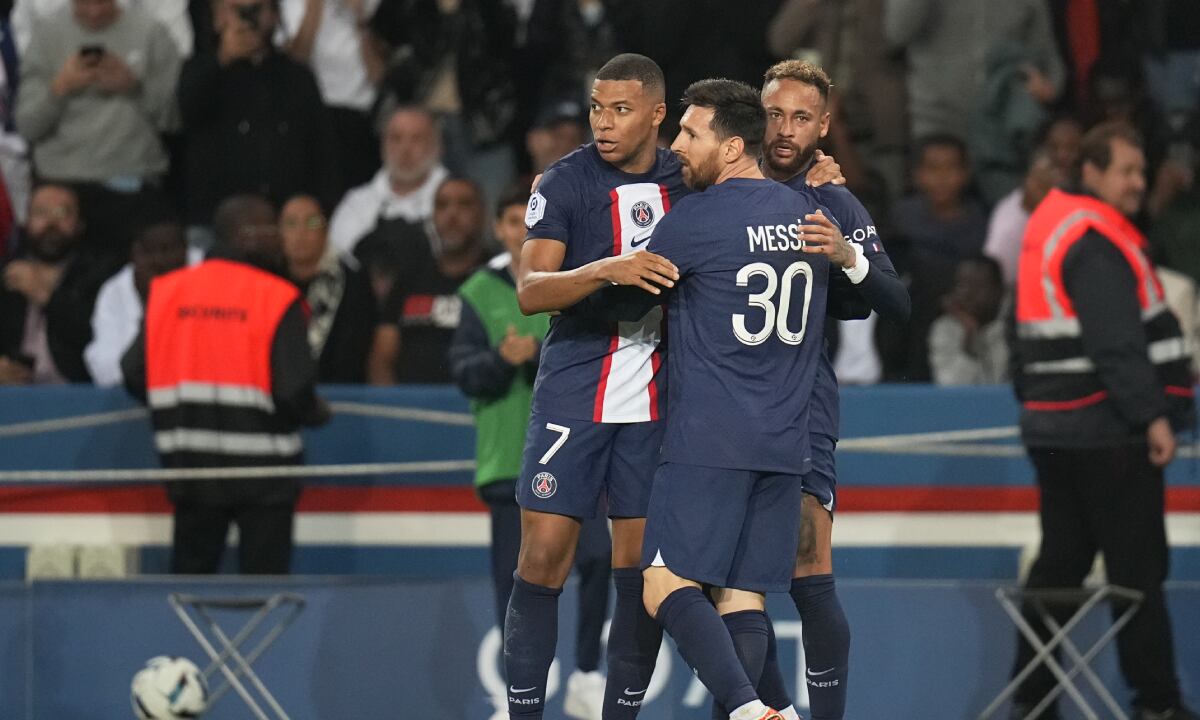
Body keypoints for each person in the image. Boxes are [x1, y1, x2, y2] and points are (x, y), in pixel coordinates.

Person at [507, 53, 842, 720]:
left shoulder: (691, 182)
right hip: (578, 387)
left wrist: (819, 176)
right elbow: (530, 290)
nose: (603, 123)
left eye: (621, 110)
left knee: (642, 576)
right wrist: (608, 270)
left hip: (661, 401)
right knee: (543, 558)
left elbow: (753, 183)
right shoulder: (566, 181)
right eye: (597, 108)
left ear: (658, 116)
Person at [599, 77, 840, 720]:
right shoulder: (806, 216)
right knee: (742, 597)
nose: (676, 144)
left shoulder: (697, 220)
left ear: (733, 147)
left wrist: (592, 271)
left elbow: (627, 299)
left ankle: (747, 709)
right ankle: (775, 712)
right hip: (785, 444)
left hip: (709, 438)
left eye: (690, 133)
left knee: (661, 582)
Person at [1009, 122, 1197, 720]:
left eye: (1143, 172)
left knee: (1061, 564)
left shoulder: (1054, 230)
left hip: (1058, 431)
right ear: (1090, 171)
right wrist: (1154, 418)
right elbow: (1117, 344)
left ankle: (1033, 703)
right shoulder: (1093, 240)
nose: (1139, 183)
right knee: (1137, 573)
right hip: (1108, 433)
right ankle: (1158, 707)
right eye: (1127, 171)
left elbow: (1026, 340)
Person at [754, 60, 910, 720]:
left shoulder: (833, 201)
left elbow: (894, 299)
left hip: (798, 407)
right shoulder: (714, 185)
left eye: (800, 117)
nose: (784, 130)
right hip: (708, 405)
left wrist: (846, 254)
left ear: (823, 126)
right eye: (773, 114)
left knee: (806, 563)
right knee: (722, 585)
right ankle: (761, 710)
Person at [449, 186, 611, 720]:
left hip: (574, 453)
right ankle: (510, 697)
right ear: (498, 228)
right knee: (513, 582)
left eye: (529, 220)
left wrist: (534, 354)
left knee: (597, 558)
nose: (522, 230)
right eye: (513, 220)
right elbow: (465, 374)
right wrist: (501, 358)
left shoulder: (567, 281)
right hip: (507, 459)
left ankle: (586, 673)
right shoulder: (477, 290)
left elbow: (590, 351)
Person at [121, 194, 330, 575]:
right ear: (246, 234)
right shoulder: (277, 297)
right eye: (274, 228)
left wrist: (179, 407)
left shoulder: (168, 292)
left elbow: (133, 371)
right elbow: (292, 391)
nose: (282, 239)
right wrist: (318, 412)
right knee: (265, 595)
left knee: (190, 592)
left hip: (192, 469)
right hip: (265, 477)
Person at [14, 0, 181, 259]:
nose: (93, 11)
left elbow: (174, 120)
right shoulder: (46, 37)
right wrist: (60, 88)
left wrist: (134, 86)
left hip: (131, 184)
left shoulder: (151, 33)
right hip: (62, 185)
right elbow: (28, 125)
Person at [177, 0, 340, 229]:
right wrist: (223, 58)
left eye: (256, 8)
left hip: (286, 220)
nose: (247, 18)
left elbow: (321, 150)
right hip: (217, 220)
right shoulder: (199, 70)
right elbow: (186, 113)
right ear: (217, 18)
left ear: (274, 15)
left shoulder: (296, 77)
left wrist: (320, 209)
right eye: (237, 10)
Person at [882, 133, 988, 381]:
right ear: (917, 174)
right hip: (910, 317)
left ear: (965, 174)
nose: (942, 178)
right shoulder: (902, 217)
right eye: (933, 169)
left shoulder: (979, 221)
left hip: (960, 312)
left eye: (950, 168)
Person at [368, 176, 487, 384]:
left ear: (482, 215)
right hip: (412, 409)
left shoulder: (499, 278)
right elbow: (381, 360)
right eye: (442, 205)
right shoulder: (408, 279)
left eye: (464, 204)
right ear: (432, 216)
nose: (452, 215)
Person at [0, 184, 112, 384]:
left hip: (79, 394)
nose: (51, 222)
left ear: (79, 224)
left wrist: (47, 297)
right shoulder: (6, 273)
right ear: (26, 222)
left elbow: (101, 337)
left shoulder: (101, 274)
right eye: (41, 212)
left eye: (62, 213)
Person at [279, 0, 387, 193]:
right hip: (318, 116)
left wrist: (359, 20)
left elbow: (379, 75)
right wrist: (314, 8)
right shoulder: (288, 5)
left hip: (365, 115)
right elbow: (296, 62)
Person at [85, 210, 195, 387]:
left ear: (186, 251)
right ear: (135, 252)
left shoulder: (207, 275)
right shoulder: (115, 291)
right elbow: (105, 367)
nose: (159, 260)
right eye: (149, 251)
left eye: (167, 249)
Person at [279, 194, 379, 383]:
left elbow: (353, 354)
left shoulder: (352, 282)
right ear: (279, 232)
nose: (301, 232)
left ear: (326, 230)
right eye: (291, 223)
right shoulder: (268, 282)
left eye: (312, 223)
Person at [327, 106, 449, 257]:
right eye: (396, 138)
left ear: (437, 146)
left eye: (417, 139)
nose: (405, 149)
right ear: (382, 145)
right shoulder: (356, 204)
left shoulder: (459, 201)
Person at [928, 256, 1008, 385]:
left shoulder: (1013, 327)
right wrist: (970, 337)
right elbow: (950, 386)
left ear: (999, 290)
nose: (968, 293)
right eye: (962, 285)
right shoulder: (944, 328)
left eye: (978, 286)